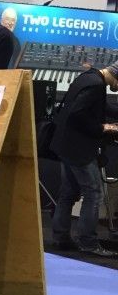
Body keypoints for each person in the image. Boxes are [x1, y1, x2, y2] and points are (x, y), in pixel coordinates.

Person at [49, 62, 118, 257]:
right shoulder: (96, 85)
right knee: (93, 193)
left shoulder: (89, 77)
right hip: (78, 148)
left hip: (65, 144)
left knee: (68, 193)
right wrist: (104, 128)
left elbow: (98, 106)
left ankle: (60, 237)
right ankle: (88, 243)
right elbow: (77, 115)